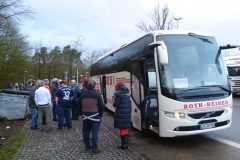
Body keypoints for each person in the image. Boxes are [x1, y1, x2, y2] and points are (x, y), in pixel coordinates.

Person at [79, 80, 105, 154]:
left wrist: (81, 113)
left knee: (86, 131)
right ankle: (94, 149)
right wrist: (100, 114)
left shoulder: (83, 95)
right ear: (95, 86)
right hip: (95, 116)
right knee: (95, 132)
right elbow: (101, 106)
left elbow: (79, 105)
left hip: (85, 116)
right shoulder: (97, 95)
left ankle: (87, 146)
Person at [113, 82, 131, 150]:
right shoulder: (128, 93)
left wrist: (114, 100)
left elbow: (116, 104)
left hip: (121, 112)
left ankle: (123, 145)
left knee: (122, 128)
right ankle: (126, 144)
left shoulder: (118, 94)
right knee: (126, 128)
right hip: (127, 113)